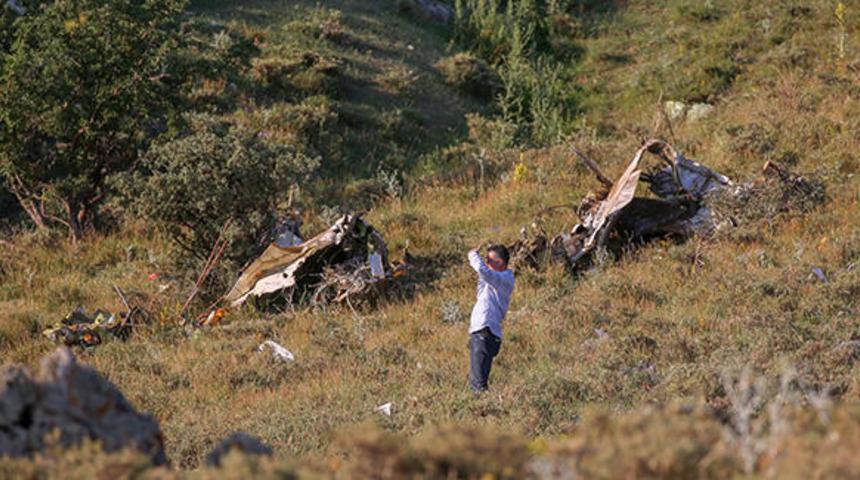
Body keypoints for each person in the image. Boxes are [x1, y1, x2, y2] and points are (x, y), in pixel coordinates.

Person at [466, 243, 515, 392]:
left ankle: (481, 411)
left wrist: (472, 255)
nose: (486, 263)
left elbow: (483, 270)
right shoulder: (495, 281)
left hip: (485, 330)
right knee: (478, 381)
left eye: (489, 260)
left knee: (477, 385)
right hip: (485, 331)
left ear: (500, 263)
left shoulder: (504, 278)